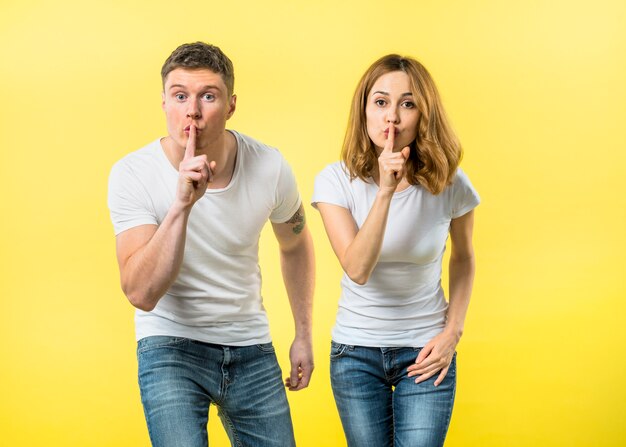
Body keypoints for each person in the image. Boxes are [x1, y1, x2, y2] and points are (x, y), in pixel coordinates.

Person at [107, 42, 315, 447]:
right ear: (164, 101)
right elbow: (140, 292)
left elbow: (296, 243)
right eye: (180, 96)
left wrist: (303, 334)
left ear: (231, 105)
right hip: (170, 345)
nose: (193, 112)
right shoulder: (133, 173)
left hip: (250, 347)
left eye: (208, 96)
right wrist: (182, 205)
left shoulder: (269, 166)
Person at [311, 54, 479, 446]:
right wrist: (385, 190)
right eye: (381, 102)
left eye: (407, 104)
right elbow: (357, 268)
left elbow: (465, 257)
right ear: (364, 110)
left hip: (425, 351)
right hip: (356, 353)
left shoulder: (449, 183)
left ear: (424, 114)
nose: (392, 117)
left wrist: (453, 332)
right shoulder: (335, 181)